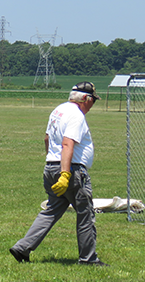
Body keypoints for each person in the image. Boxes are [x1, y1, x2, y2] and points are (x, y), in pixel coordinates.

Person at [9, 82, 108, 266]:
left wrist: (51, 163)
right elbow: (67, 143)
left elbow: (47, 138)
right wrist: (65, 174)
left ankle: (23, 247)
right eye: (93, 100)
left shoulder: (58, 110)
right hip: (71, 170)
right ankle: (88, 258)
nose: (93, 105)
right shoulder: (76, 115)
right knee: (85, 213)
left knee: (52, 210)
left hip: (51, 167)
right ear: (85, 99)